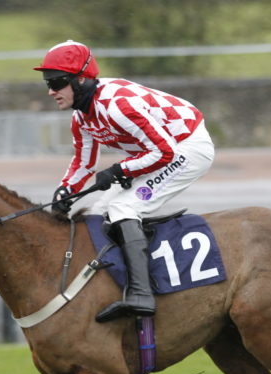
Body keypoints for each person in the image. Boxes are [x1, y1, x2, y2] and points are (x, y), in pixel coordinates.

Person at [35, 40, 215, 323]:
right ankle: (117, 283)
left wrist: (120, 169)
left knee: (123, 209)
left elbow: (164, 152)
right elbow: (83, 164)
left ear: (81, 79)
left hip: (187, 146)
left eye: (57, 82)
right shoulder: (81, 117)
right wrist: (66, 190)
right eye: (47, 82)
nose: (51, 91)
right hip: (158, 151)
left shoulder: (117, 106)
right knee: (97, 212)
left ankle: (142, 295)